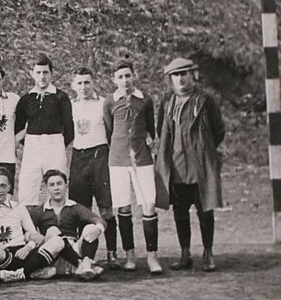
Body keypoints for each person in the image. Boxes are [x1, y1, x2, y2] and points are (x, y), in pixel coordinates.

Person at [155, 57, 226, 272]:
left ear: (191, 75)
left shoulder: (205, 99)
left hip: (200, 165)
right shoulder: (168, 101)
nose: (181, 78)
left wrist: (203, 149)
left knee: (205, 211)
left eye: (184, 73)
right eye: (176, 75)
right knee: (180, 211)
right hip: (176, 166)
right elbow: (161, 130)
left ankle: (207, 253)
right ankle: (185, 253)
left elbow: (218, 130)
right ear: (170, 79)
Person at [103, 59, 162, 274]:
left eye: (128, 75)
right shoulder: (109, 101)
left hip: (142, 158)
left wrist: (144, 142)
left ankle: (152, 256)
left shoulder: (144, 100)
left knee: (149, 203)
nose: (125, 80)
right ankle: (129, 254)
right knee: (123, 206)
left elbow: (150, 129)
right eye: (120, 77)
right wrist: (120, 149)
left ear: (133, 76)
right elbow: (110, 132)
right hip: (117, 159)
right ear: (113, 79)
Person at [0, 167, 63, 283]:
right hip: (1, 257)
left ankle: (19, 274)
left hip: (23, 253)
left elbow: (34, 235)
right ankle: (30, 272)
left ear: (9, 187)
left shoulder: (19, 207)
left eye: (3, 186)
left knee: (58, 241)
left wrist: (28, 247)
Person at [69, 67, 118, 268]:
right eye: (79, 83)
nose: (83, 87)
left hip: (100, 156)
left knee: (106, 209)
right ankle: (87, 255)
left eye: (87, 82)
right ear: (73, 85)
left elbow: (111, 130)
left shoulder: (102, 103)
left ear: (93, 82)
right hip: (79, 157)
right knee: (82, 210)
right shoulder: (70, 106)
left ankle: (113, 253)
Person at [14, 54, 74, 206]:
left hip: (55, 146)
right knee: (27, 191)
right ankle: (29, 228)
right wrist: (31, 144)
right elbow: (19, 128)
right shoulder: (25, 99)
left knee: (56, 191)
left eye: (45, 72)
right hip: (32, 148)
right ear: (32, 73)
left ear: (51, 73)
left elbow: (69, 128)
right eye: (38, 72)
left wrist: (57, 144)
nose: (42, 76)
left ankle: (56, 227)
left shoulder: (61, 97)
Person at [28, 169, 106, 280]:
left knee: (91, 228)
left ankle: (84, 263)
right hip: (52, 252)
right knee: (53, 231)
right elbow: (28, 232)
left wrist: (99, 229)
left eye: (59, 184)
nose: (56, 188)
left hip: (73, 249)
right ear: (47, 188)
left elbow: (99, 220)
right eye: (52, 185)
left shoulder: (74, 207)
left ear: (66, 185)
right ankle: (82, 265)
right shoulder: (39, 211)